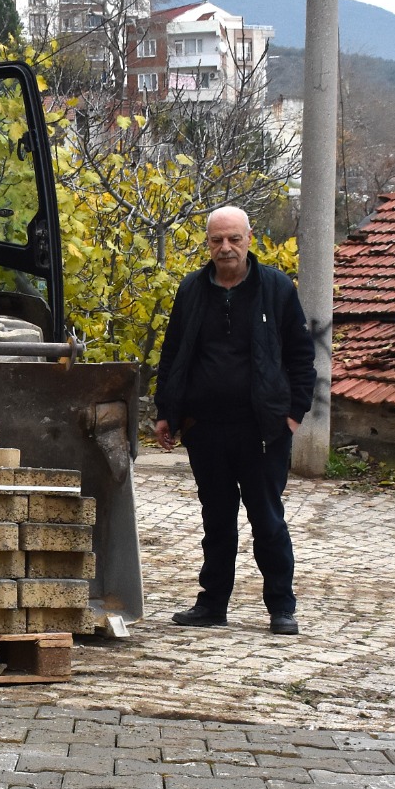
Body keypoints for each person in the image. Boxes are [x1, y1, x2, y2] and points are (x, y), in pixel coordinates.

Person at [153, 205, 317, 635]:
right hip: (205, 428)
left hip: (262, 431)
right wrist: (167, 412)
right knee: (216, 521)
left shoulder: (277, 289)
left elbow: (302, 357)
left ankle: (281, 608)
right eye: (216, 240)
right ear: (207, 243)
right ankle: (212, 605)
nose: (225, 248)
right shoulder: (191, 289)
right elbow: (173, 354)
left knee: (267, 520)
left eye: (233, 239)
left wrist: (292, 416)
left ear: (249, 239)